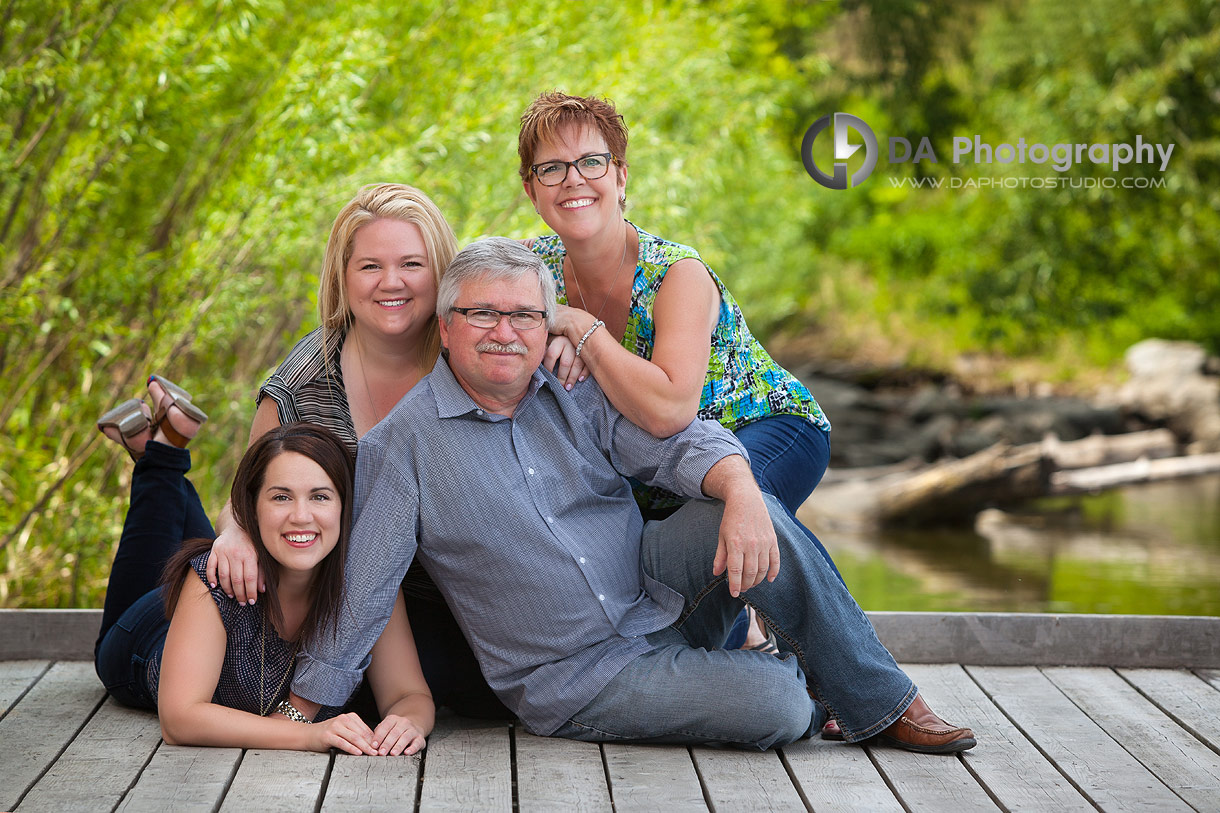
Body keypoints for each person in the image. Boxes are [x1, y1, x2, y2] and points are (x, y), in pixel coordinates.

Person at [284, 238, 976, 754]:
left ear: (546, 325)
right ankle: (791, 673)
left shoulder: (572, 388)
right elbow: (364, 585)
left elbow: (674, 444)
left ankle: (882, 700)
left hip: (652, 593)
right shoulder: (399, 449)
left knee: (749, 504)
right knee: (779, 705)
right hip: (577, 675)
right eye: (483, 314)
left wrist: (737, 483)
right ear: (446, 326)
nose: (506, 332)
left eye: (525, 315)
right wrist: (300, 710)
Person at [517, 92, 836, 654]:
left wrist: (579, 328)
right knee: (673, 593)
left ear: (619, 177)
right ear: (531, 187)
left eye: (591, 162)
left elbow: (669, 410)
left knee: (740, 509)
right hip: (655, 473)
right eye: (552, 168)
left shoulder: (676, 275)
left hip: (760, 426)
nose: (573, 180)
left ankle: (838, 678)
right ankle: (745, 642)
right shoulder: (531, 269)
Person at [203, 183, 507, 717]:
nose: (392, 283)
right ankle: (159, 467)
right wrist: (233, 530)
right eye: (370, 266)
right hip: (350, 607)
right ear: (343, 279)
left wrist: (570, 328)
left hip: (459, 599)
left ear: (441, 273)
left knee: (479, 691)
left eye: (411, 263)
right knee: (138, 633)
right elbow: (246, 494)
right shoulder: (303, 383)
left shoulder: (475, 358)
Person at [95, 381, 432, 754]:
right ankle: (159, 456)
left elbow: (409, 694)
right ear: (251, 508)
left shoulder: (367, 581)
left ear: (345, 507)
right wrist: (308, 735)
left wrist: (409, 721)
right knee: (136, 602)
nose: (301, 516)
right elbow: (179, 719)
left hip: (214, 597)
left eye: (320, 496)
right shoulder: (210, 579)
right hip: (142, 645)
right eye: (281, 497)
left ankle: (165, 446)